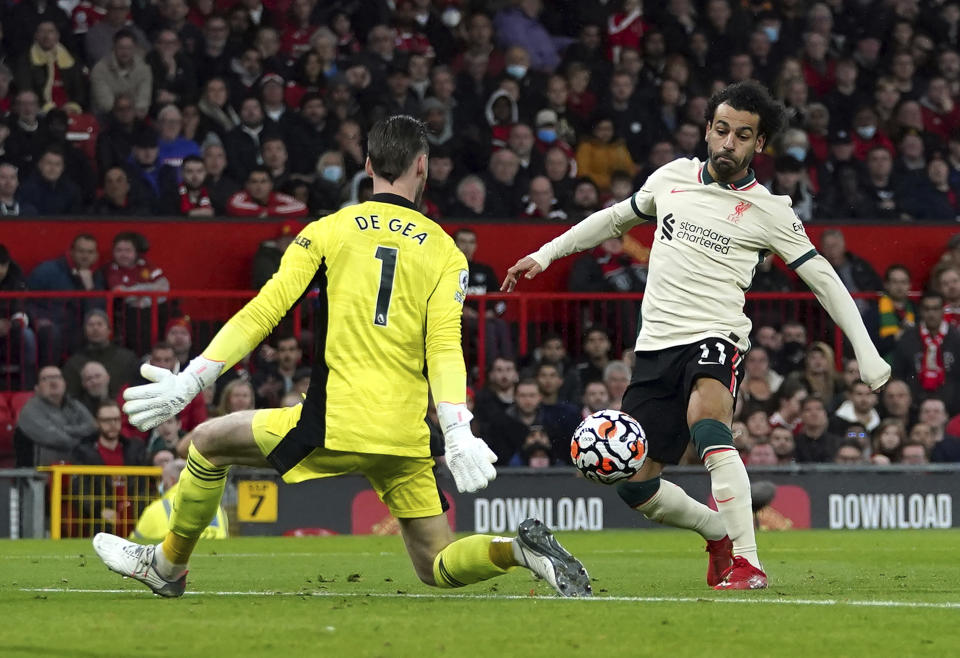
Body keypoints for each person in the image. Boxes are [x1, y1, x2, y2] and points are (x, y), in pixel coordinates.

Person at [93, 115, 591, 598]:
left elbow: (264, 312)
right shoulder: (445, 251)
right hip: (405, 435)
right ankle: (519, 552)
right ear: (422, 166)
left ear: (369, 165)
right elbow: (444, 347)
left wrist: (194, 379)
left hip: (333, 421)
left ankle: (167, 566)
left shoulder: (327, 230)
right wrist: (456, 428)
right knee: (435, 564)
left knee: (206, 442)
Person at [502, 81, 891, 590]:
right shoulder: (672, 178)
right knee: (633, 483)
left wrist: (866, 351)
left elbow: (824, 280)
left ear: (759, 146)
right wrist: (545, 253)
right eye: (722, 130)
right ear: (708, 130)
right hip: (656, 345)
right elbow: (614, 219)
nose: (729, 143)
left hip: (716, 337)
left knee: (709, 426)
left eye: (743, 135)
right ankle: (717, 533)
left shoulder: (770, 210)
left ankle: (748, 563)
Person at [130, 458, 228, 543]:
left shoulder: (155, 510)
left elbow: (135, 546)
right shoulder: (217, 507)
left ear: (171, 480)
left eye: (162, 480)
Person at [892, 291, 960, 413]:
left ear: (943, 310)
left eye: (935, 309)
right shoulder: (908, 338)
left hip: (952, 406)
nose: (931, 314)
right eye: (927, 309)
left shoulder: (956, 338)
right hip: (914, 406)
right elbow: (898, 373)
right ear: (921, 311)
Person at [15, 365, 97, 466]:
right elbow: (55, 438)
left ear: (64, 384)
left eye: (57, 377)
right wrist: (82, 440)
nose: (53, 382)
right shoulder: (30, 410)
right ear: (36, 388)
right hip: (39, 476)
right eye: (46, 379)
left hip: (76, 472)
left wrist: (64, 429)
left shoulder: (74, 405)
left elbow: (92, 426)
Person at [61, 309, 139, 398]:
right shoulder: (74, 363)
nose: (95, 328)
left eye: (99, 324)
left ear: (109, 330)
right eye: (91, 325)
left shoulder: (127, 359)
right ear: (85, 331)